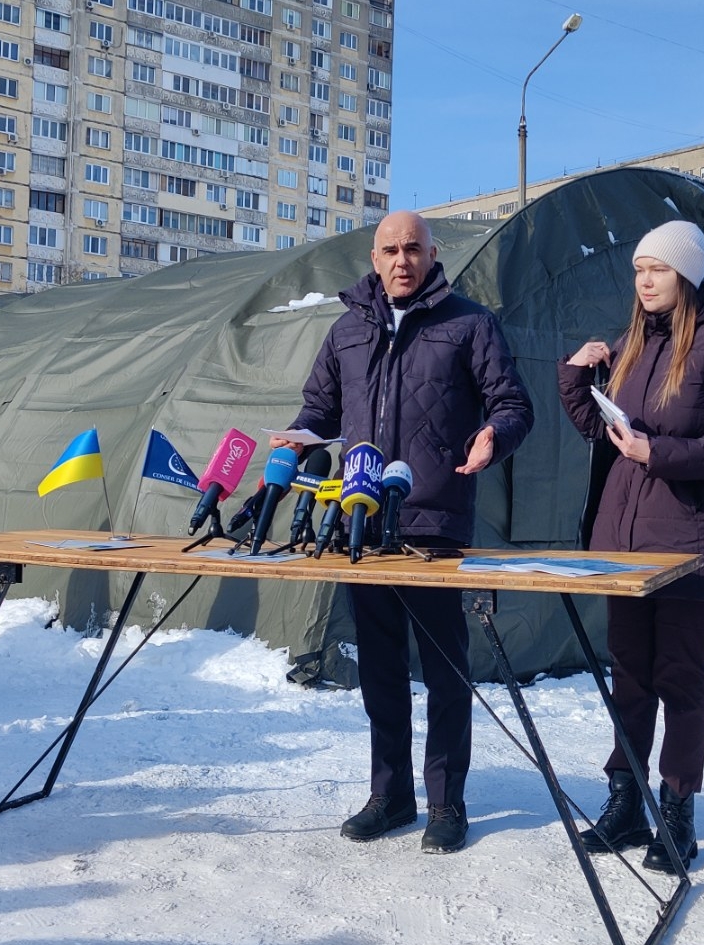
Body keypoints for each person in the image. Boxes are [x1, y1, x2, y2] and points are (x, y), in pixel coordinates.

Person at [272, 210, 533, 854]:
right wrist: (302, 441)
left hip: (434, 526)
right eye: (390, 249)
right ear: (373, 255)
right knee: (381, 670)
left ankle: (447, 802)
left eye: (412, 248)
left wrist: (494, 435)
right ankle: (390, 795)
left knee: (446, 673)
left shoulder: (469, 325)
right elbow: (319, 412)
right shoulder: (347, 332)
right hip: (362, 525)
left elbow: (512, 403)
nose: (401, 260)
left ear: (432, 253)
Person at [558, 220, 704, 872]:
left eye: (659, 269)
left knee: (679, 675)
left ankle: (677, 811)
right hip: (627, 541)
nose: (645, 280)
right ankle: (624, 800)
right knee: (630, 676)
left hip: (689, 543)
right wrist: (576, 378)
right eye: (640, 268)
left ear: (688, 274)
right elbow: (602, 430)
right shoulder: (632, 344)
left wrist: (661, 452)